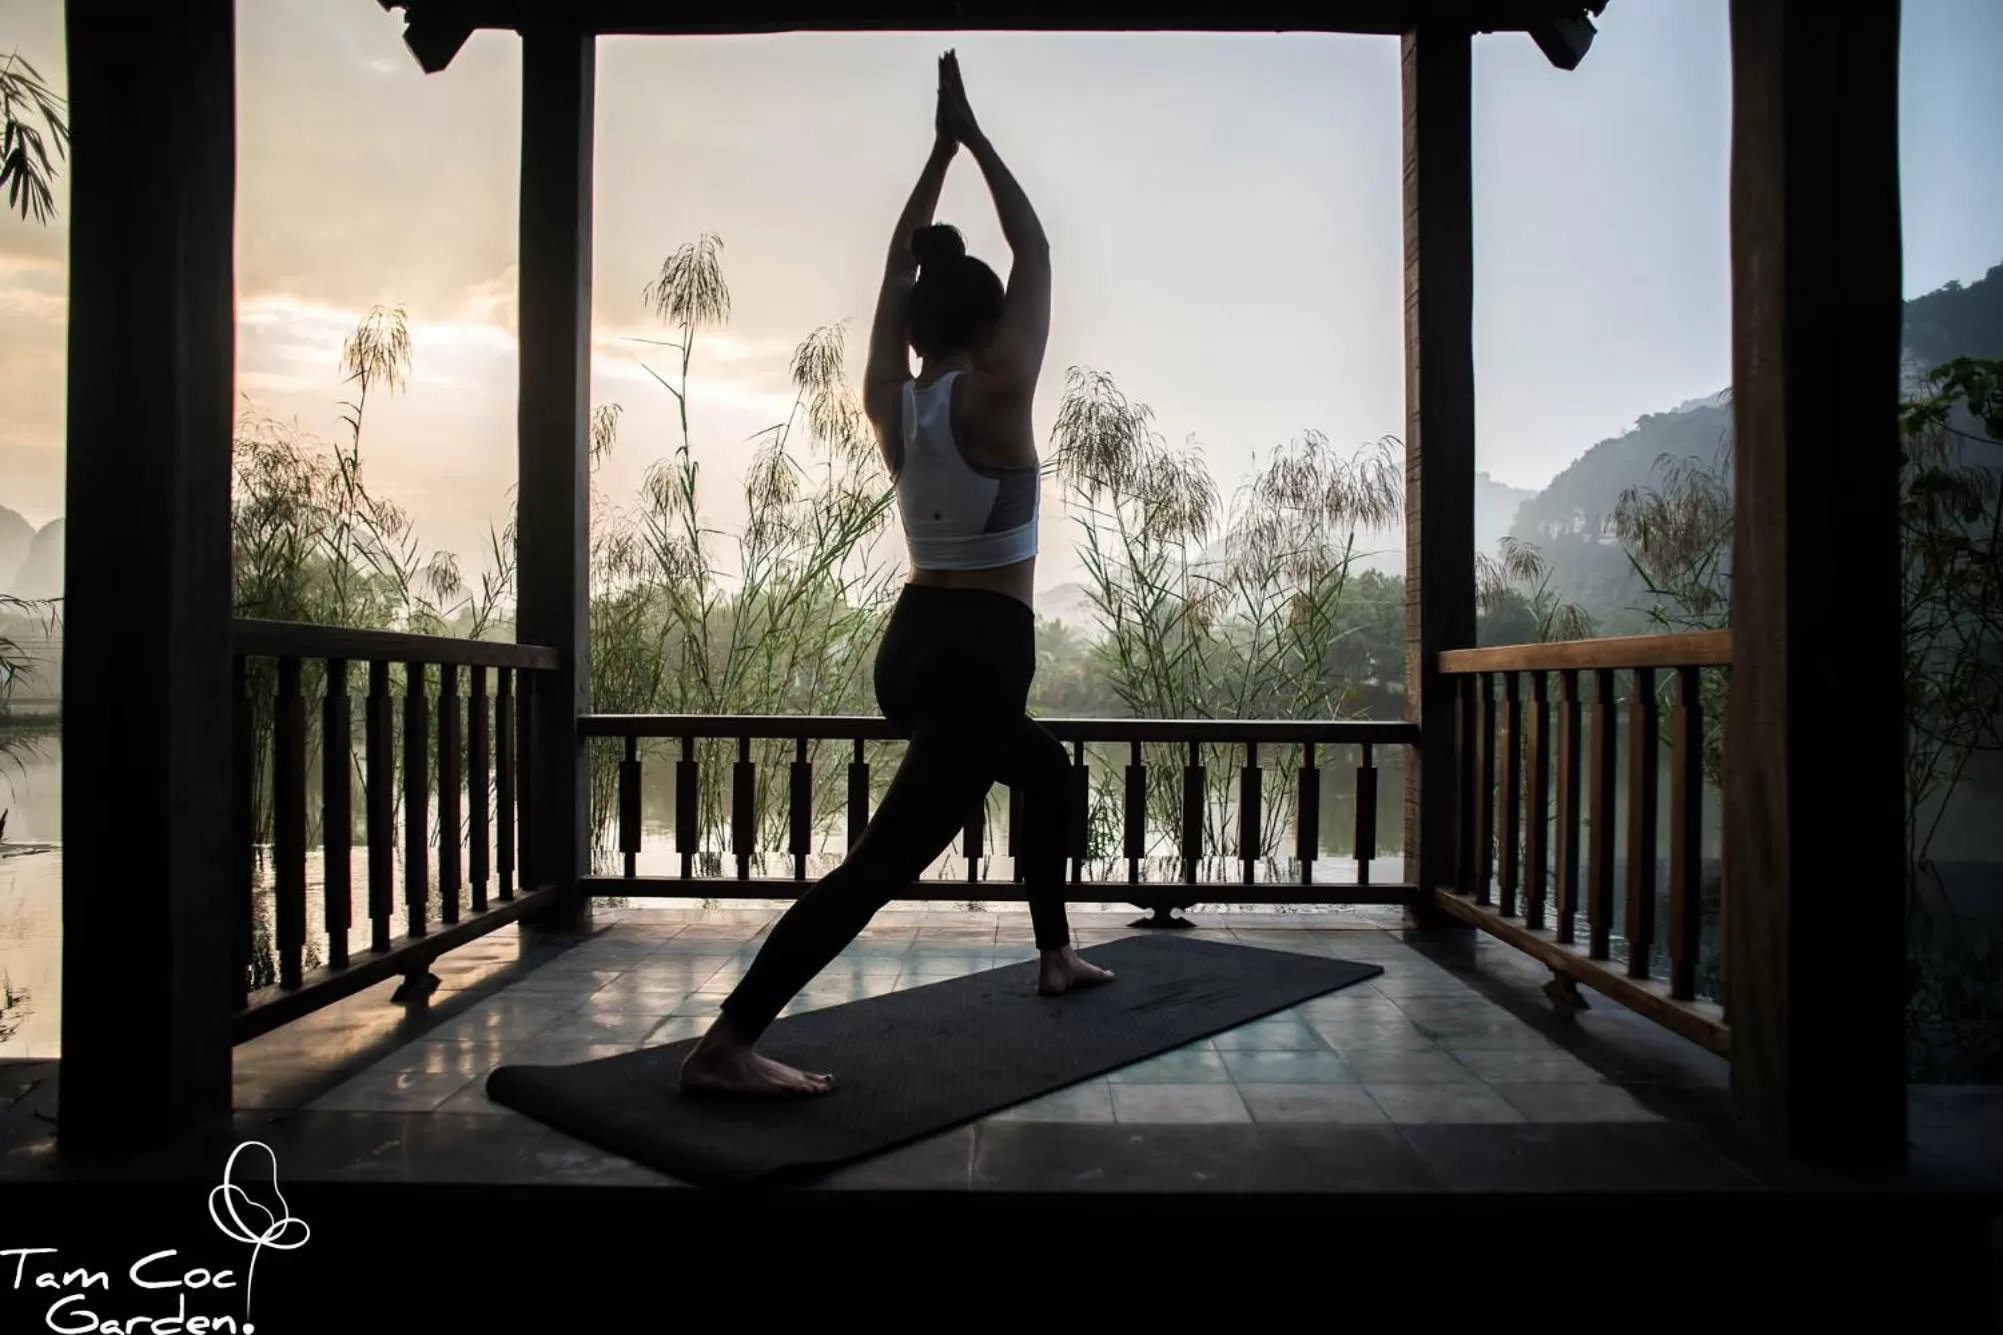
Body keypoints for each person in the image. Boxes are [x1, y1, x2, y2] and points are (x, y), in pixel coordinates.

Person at [679, 51, 1114, 1098]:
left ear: (919, 329)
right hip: (976, 654)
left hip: (911, 645)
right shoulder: (1000, 390)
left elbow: (888, 274)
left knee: (1044, 774)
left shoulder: (890, 399)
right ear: (988, 325)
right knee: (879, 868)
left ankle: (1053, 956)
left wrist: (932, 156)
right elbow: (1035, 243)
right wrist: (971, 139)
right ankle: (727, 1043)